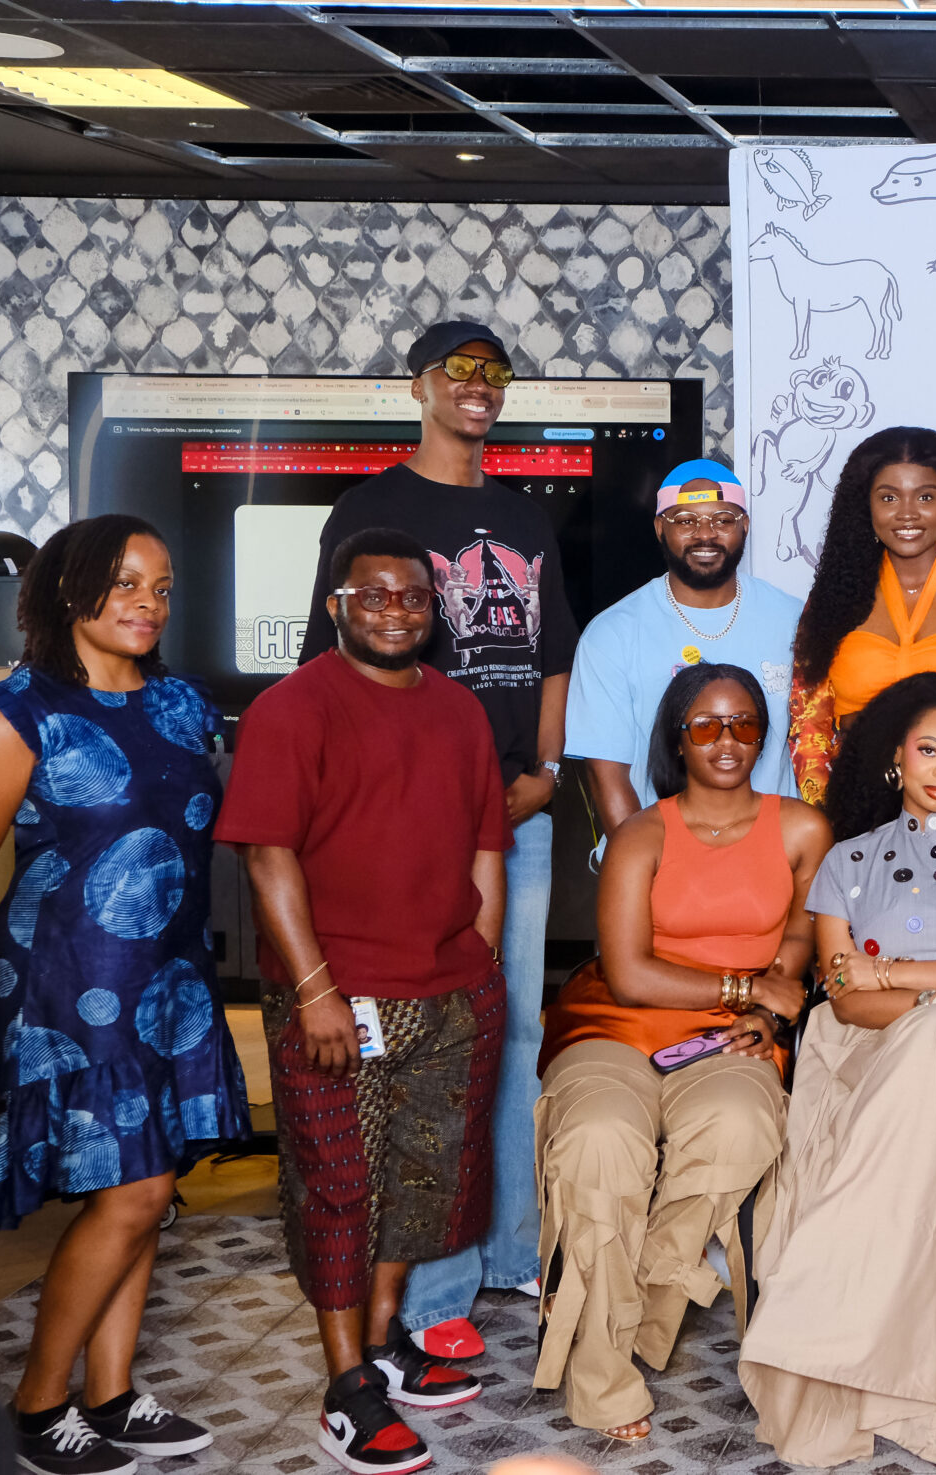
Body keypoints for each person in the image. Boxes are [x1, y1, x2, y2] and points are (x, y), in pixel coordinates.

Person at [297, 320, 574, 1360]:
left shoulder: (522, 518)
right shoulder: (370, 509)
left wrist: (543, 778)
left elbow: (552, 657)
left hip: (517, 823)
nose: (478, 388)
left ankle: (510, 1249)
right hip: (409, 828)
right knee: (428, 1054)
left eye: (492, 374)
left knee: (509, 1039)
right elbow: (328, 664)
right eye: (457, 372)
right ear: (417, 387)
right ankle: (434, 1283)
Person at [221, 527, 511, 1474]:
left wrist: (486, 968)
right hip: (334, 999)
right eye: (373, 595)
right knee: (340, 1186)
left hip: (449, 991)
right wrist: (315, 992)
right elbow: (269, 855)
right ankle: (347, 1389)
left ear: (435, 609)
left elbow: (485, 849)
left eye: (413, 597)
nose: (395, 610)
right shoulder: (291, 708)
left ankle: (383, 1342)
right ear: (337, 603)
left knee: (423, 1184)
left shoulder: (462, 710)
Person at [740, 671, 936, 1475]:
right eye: (929, 749)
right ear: (895, 756)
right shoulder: (848, 860)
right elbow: (846, 999)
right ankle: (913, 1386)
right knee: (934, 1043)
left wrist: (907, 977)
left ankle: (819, 1327)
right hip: (869, 1050)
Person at [0, 516, 246, 1475]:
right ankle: (38, 1401)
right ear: (67, 591)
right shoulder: (20, 711)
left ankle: (113, 1393)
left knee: (150, 1186)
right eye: (125, 583)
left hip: (171, 979)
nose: (147, 601)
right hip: (68, 982)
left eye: (162, 587)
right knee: (133, 1195)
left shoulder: (185, 705)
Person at [531, 663, 830, 1441]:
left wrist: (774, 1002)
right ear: (678, 738)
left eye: (743, 725)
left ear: (763, 736)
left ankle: (626, 1312)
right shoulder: (642, 832)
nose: (725, 741)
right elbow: (628, 972)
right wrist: (748, 989)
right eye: (706, 725)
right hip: (615, 1024)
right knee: (600, 1141)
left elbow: (801, 933)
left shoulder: (801, 828)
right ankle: (600, 1379)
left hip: (728, 1040)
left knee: (738, 1128)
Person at [787, 427, 936, 806]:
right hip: (856, 812)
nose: (906, 513)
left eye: (925, 497)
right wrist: (826, 820)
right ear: (865, 508)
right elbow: (809, 727)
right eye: (888, 497)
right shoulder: (832, 598)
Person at [564, 461, 806, 830]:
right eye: (686, 520)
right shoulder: (612, 634)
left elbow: (818, 750)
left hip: (776, 852)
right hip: (665, 856)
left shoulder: (795, 621)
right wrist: (649, 868)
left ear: (745, 526)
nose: (705, 535)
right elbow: (607, 776)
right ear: (661, 528)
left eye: (723, 519)